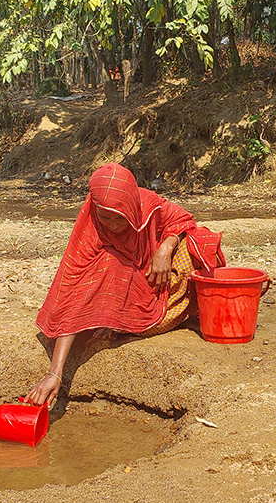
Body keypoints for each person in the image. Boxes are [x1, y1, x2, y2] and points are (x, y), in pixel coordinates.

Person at [25, 163, 223, 406]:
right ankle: (121, 321)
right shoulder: (90, 229)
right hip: (127, 283)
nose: (113, 225)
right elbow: (72, 294)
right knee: (109, 263)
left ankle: (164, 316)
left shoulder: (148, 204)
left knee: (196, 244)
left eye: (119, 218)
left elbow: (183, 220)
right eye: (105, 217)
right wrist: (55, 372)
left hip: (156, 273)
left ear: (131, 205)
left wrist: (165, 249)